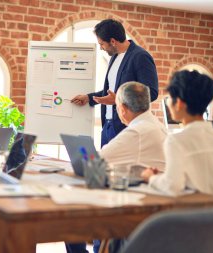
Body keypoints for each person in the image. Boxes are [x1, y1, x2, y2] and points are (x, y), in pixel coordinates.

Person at [66, 82, 166, 253]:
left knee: (71, 218)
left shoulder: (137, 131)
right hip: (155, 205)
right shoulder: (155, 125)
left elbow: (96, 161)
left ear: (123, 108)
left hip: (140, 211)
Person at [142, 70, 213, 197]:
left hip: (193, 214)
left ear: (178, 103)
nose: (168, 102)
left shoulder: (176, 141)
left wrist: (150, 178)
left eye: (170, 97)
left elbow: (172, 186)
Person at [71, 19, 158, 147]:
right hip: (107, 125)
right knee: (106, 166)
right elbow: (111, 91)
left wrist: (118, 99)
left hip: (125, 128)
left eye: (102, 44)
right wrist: (88, 98)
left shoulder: (140, 56)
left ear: (113, 41)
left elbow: (151, 92)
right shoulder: (114, 58)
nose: (101, 48)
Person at [100, 81, 166, 169]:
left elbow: (99, 159)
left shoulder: (136, 132)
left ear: (122, 109)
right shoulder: (158, 125)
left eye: (117, 106)